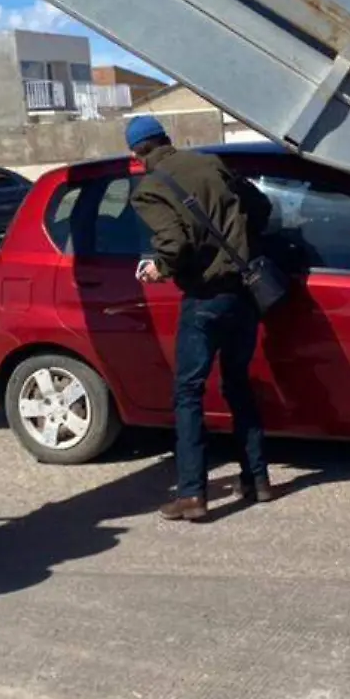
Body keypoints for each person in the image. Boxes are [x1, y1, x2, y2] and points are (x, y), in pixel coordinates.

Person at [126, 115, 275, 521]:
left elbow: (173, 243)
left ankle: (192, 494)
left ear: (137, 155)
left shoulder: (150, 189)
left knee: (188, 393)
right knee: (238, 385)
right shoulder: (211, 163)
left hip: (205, 298)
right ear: (166, 139)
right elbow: (260, 206)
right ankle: (257, 479)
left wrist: (161, 268)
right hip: (243, 294)